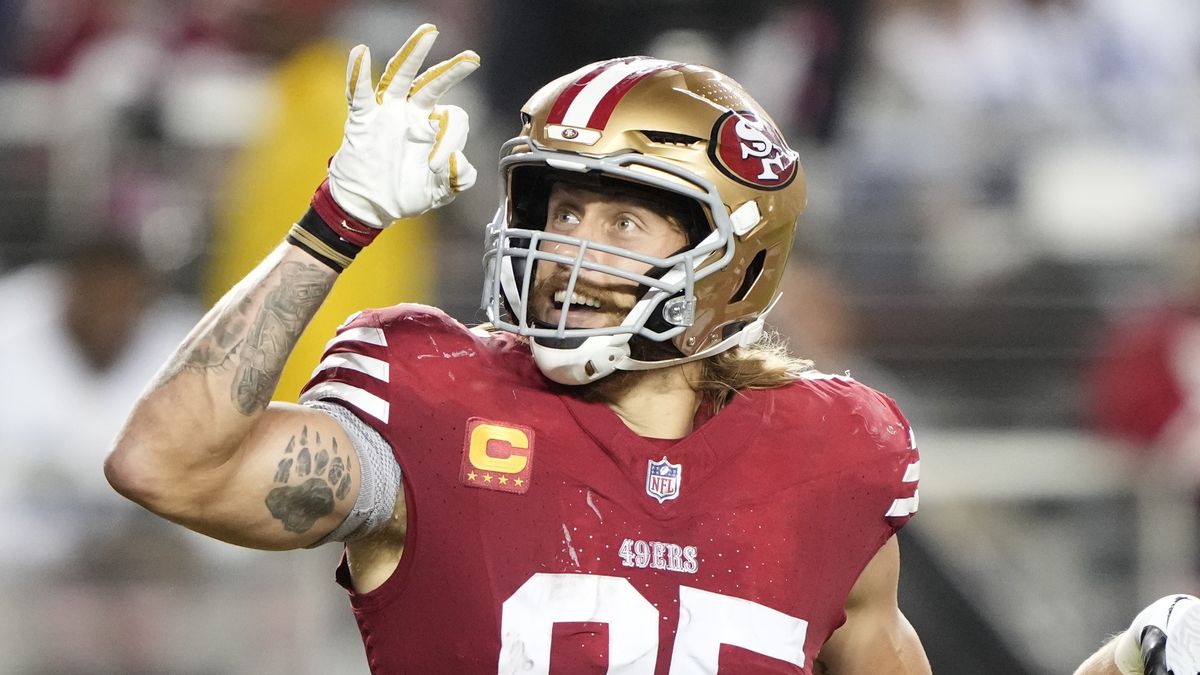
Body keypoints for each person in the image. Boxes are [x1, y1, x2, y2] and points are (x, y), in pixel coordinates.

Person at [104, 23, 1194, 674]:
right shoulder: (434, 397)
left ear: (734, 262)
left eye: (623, 220)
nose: (572, 249)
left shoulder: (833, 455)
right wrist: (333, 221)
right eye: (557, 209)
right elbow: (164, 464)